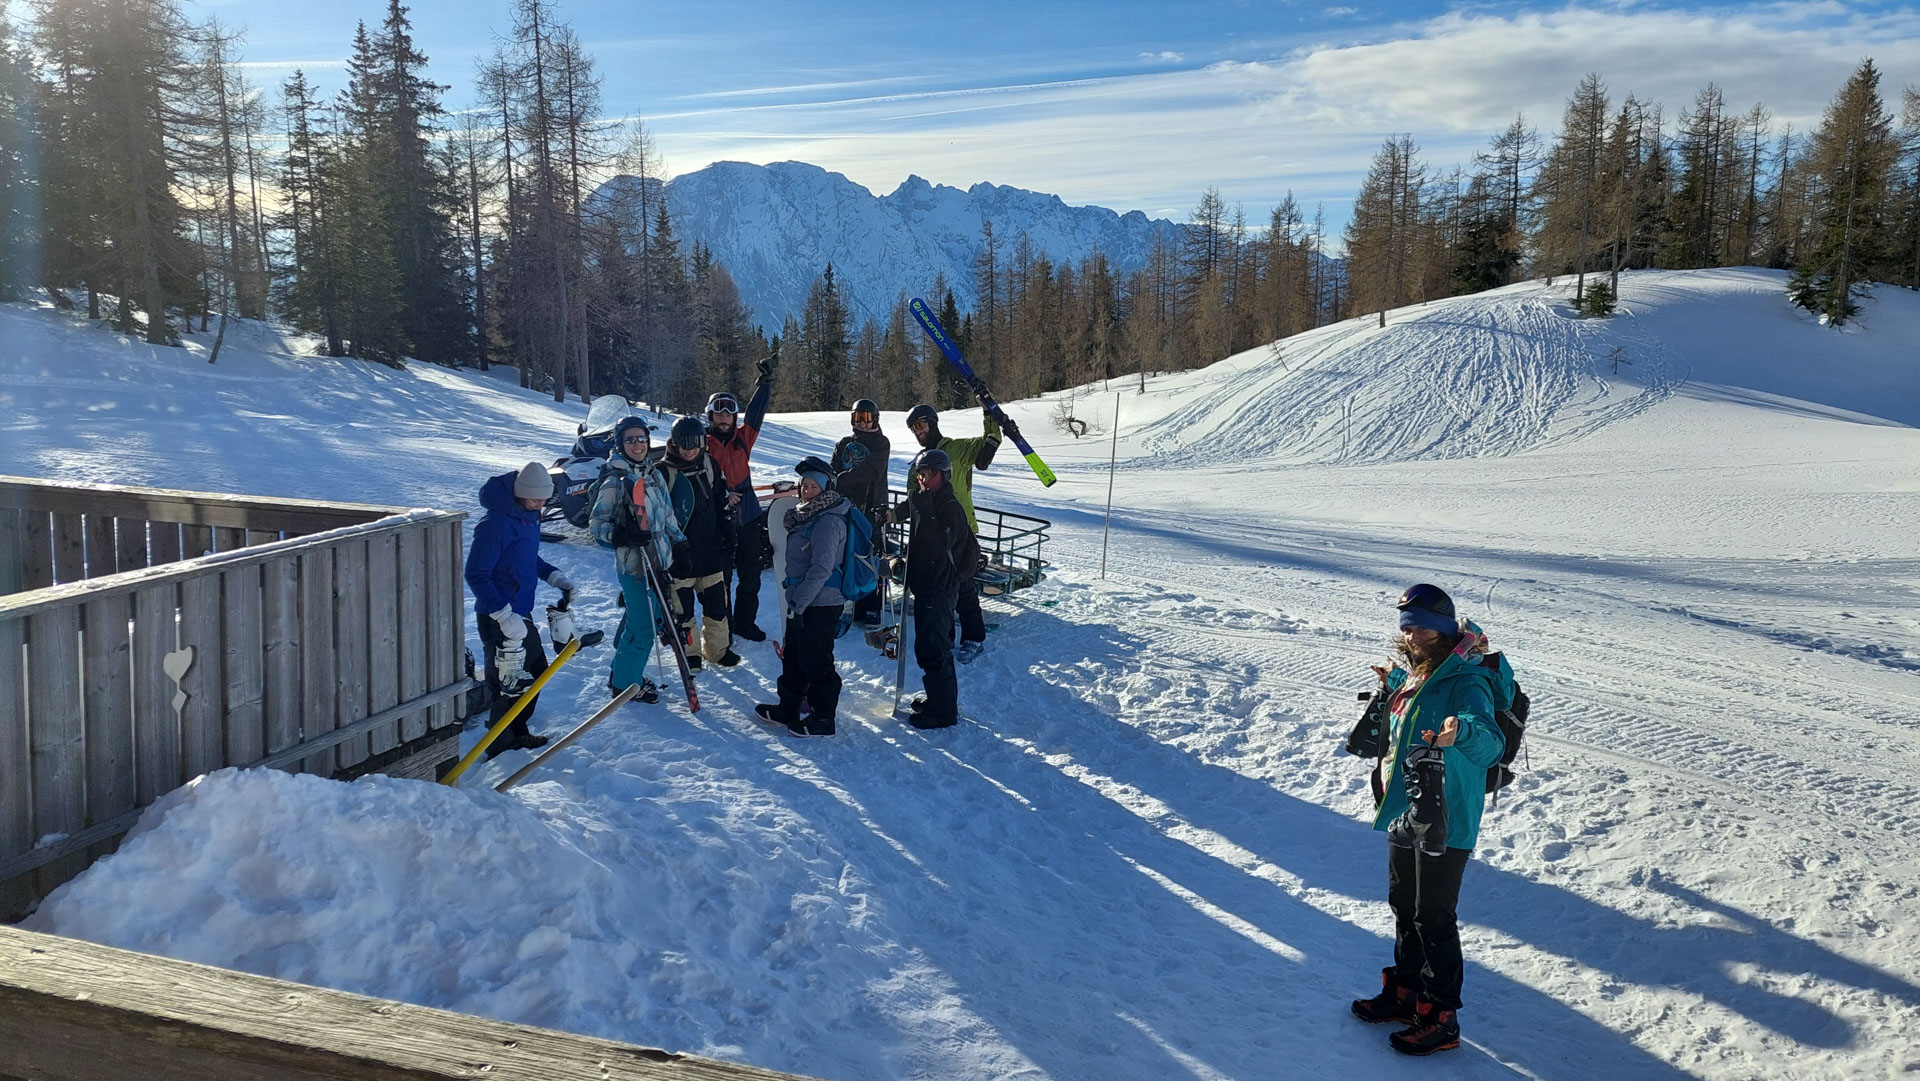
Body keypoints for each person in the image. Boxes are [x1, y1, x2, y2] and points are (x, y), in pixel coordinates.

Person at [1350, 584, 1508, 1056]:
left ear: (1440, 628)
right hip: (1404, 807)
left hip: (1447, 815)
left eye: (1418, 625)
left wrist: (1463, 731)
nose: (1411, 632)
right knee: (1403, 905)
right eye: (1406, 626)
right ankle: (1405, 995)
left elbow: (1491, 743)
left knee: (1433, 916)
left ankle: (1441, 1018)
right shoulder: (1417, 674)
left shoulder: (1467, 679)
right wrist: (1391, 686)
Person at [464, 462, 572, 756]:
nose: (541, 504)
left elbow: (526, 556)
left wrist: (552, 574)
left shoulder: (528, 516)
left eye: (544, 498)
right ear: (520, 492)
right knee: (507, 682)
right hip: (497, 616)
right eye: (535, 498)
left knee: (536, 671)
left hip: (520, 614)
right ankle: (499, 744)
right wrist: (502, 614)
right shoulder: (495, 524)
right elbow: (475, 573)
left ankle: (517, 731)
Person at [589, 416, 687, 704]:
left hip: (658, 560)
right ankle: (626, 685)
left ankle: (622, 670)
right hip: (635, 566)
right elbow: (596, 525)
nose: (637, 445)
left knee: (646, 621)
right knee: (643, 627)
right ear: (620, 443)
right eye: (630, 439)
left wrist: (680, 543)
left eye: (641, 438)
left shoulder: (653, 474)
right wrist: (621, 535)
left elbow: (667, 513)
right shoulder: (615, 479)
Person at [753, 463, 855, 737]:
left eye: (814, 486)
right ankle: (788, 707)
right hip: (802, 599)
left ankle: (823, 718)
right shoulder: (805, 516)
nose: (807, 492)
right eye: (804, 486)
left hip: (822, 602)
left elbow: (822, 568)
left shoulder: (828, 520)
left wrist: (798, 605)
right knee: (795, 657)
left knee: (817, 661)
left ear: (825, 489)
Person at [903, 400, 1008, 663]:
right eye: (913, 428)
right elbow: (914, 500)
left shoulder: (956, 449)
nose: (918, 431)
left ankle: (974, 637)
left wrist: (988, 413)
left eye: (921, 424)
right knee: (939, 590)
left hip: (961, 532)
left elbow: (988, 447)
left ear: (933, 423)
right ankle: (945, 635)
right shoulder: (917, 463)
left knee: (962, 585)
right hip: (932, 536)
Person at [897, 449, 981, 730]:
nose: (922, 480)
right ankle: (938, 699)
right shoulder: (929, 500)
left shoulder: (949, 506)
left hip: (940, 587)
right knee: (930, 646)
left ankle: (944, 712)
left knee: (934, 649)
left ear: (942, 476)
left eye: (927, 475)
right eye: (919, 474)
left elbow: (939, 545)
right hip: (927, 585)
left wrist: (925, 509)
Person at [705, 357, 775, 641]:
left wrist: (765, 383)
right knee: (721, 578)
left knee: (751, 576)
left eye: (729, 414)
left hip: (748, 515)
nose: (724, 418)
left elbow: (757, 412)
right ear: (710, 417)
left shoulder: (743, 438)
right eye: (718, 414)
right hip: (718, 519)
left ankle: (745, 622)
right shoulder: (699, 443)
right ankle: (724, 628)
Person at [662, 415, 740, 670]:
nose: (690, 450)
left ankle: (718, 650)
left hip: (709, 550)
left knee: (717, 605)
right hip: (680, 554)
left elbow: (720, 499)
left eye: (695, 444)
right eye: (684, 444)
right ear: (674, 443)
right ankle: (690, 652)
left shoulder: (709, 464)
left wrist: (728, 531)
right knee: (683, 609)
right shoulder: (664, 472)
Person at [830, 398, 891, 628]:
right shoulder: (844, 443)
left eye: (867, 418)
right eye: (858, 418)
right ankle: (851, 602)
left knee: (872, 556)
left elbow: (870, 471)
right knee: (847, 554)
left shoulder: (881, 443)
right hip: (847, 508)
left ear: (875, 420)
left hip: (872, 508)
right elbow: (833, 469)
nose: (863, 423)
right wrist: (835, 481)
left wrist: (840, 480)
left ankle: (873, 606)